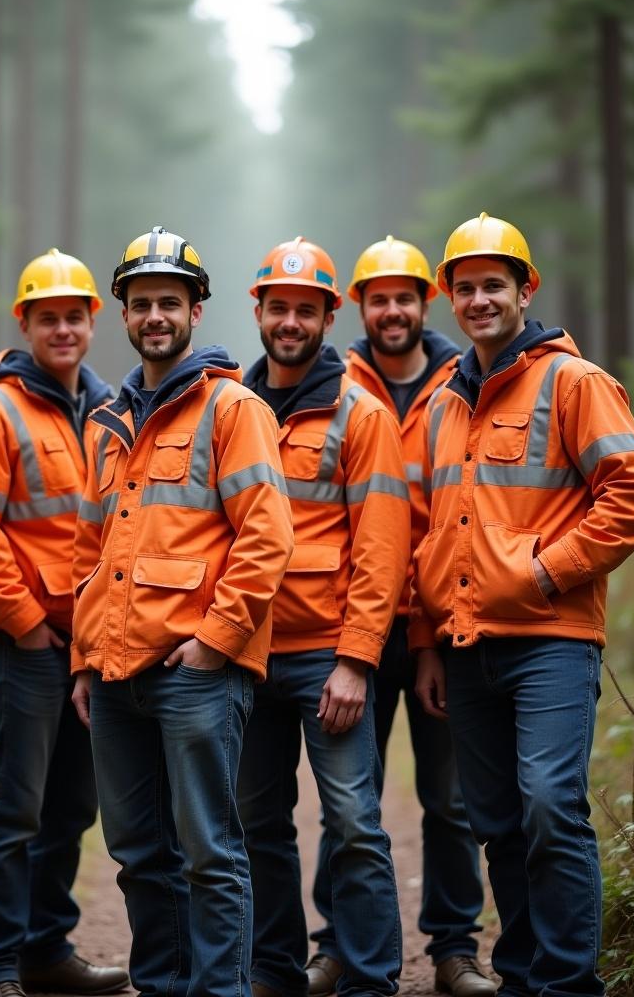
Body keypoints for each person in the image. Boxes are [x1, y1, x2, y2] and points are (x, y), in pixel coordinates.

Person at [411, 213, 634, 997]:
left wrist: (550, 572)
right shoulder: (442, 406)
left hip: (550, 640)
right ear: (450, 300)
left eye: (495, 285)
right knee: (498, 823)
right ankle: (522, 977)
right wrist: (426, 641)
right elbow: (426, 530)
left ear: (527, 290)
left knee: (551, 808)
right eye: (466, 288)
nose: (480, 299)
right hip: (465, 645)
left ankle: (566, 984)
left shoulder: (573, 383)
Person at [70, 226, 295, 997]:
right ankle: (162, 986)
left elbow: (267, 535)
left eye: (170, 301)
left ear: (197, 311)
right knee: (138, 851)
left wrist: (215, 640)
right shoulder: (109, 420)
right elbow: (88, 552)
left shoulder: (234, 409)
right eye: (141, 303)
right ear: (123, 315)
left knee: (209, 851)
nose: (155, 315)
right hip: (114, 672)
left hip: (196, 672)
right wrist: (83, 658)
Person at [305, 236, 494, 997]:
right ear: (361, 307)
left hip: (444, 625)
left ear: (427, 303)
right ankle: (336, 945)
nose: (392, 310)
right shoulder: (334, 382)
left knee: (449, 797)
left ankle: (455, 948)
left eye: (405, 297)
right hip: (354, 623)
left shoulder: (462, 385)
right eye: (378, 298)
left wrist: (433, 634)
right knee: (347, 796)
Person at [236, 236, 411, 997]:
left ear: (329, 316)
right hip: (243, 656)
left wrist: (356, 658)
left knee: (354, 825)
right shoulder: (230, 408)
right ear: (260, 311)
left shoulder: (361, 415)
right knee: (256, 827)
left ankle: (370, 981)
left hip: (323, 659)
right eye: (279, 307)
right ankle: (274, 972)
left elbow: (382, 547)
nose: (291, 322)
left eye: (307, 310)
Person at [0, 249, 128, 997]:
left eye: (74, 317)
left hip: (91, 647)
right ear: (24, 323)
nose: (62, 329)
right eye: (47, 318)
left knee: (71, 808)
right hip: (25, 647)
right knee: (14, 809)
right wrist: (23, 622)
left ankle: (45, 952)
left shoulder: (111, 409)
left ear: (93, 323)